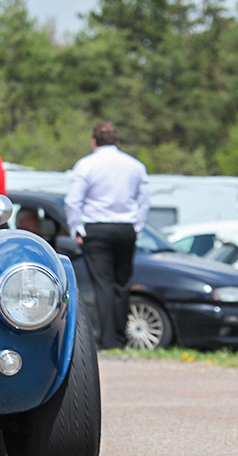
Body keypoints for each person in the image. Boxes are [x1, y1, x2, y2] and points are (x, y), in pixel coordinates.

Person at [64, 121, 150, 350]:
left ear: (94, 142)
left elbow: (73, 201)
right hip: (125, 228)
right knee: (122, 284)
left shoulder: (86, 165)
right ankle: (121, 338)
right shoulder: (135, 165)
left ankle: (108, 339)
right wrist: (136, 228)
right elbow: (144, 203)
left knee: (103, 284)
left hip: (97, 228)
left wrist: (77, 229)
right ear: (117, 142)